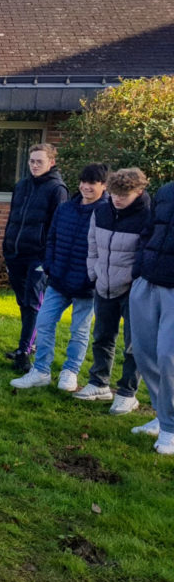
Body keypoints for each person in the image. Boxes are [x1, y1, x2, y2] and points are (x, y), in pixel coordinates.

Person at [11, 164, 110, 392]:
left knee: (80, 331)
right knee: (44, 323)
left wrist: (94, 277)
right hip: (58, 280)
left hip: (87, 286)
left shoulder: (106, 213)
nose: (86, 187)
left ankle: (70, 372)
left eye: (92, 183)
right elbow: (52, 238)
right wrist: (49, 266)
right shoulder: (66, 208)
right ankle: (41, 371)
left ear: (103, 186)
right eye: (83, 182)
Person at [75, 168, 151, 414]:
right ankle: (99, 383)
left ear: (138, 192)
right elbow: (92, 244)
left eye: (124, 195)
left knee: (133, 344)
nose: (117, 199)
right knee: (102, 337)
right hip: (103, 285)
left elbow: (145, 254)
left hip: (132, 290)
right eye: (115, 194)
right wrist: (94, 273)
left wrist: (134, 281)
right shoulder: (101, 210)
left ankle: (127, 393)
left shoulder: (147, 216)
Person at [1, 143, 69, 373]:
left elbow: (57, 228)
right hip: (15, 253)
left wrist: (47, 257)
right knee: (23, 303)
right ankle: (27, 344)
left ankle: (23, 352)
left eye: (40, 161)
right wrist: (6, 245)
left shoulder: (57, 189)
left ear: (51, 162)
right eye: (32, 161)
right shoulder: (21, 186)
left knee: (32, 303)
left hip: (37, 257)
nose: (35, 165)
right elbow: (12, 219)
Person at [128, 180, 174, 454]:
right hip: (147, 280)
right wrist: (138, 268)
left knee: (169, 357)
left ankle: (170, 428)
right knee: (144, 353)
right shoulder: (166, 190)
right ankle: (162, 414)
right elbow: (148, 231)